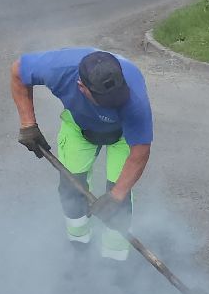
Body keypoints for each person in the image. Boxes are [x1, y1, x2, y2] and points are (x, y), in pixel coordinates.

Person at [10, 47, 153, 261]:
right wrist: (28, 124)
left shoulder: (133, 99)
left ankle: (114, 260)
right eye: (106, 101)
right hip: (79, 125)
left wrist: (116, 196)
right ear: (82, 87)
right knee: (71, 187)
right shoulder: (58, 69)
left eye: (117, 98)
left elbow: (140, 152)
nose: (114, 104)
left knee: (119, 199)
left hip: (123, 133)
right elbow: (18, 71)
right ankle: (80, 248)